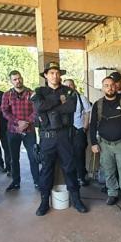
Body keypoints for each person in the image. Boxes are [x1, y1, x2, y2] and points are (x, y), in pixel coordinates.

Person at [32, 62, 88, 216]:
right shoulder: (39, 91)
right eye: (51, 73)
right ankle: (44, 202)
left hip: (65, 137)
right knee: (46, 170)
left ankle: (76, 199)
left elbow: (70, 108)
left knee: (70, 169)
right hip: (47, 138)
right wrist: (58, 101)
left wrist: (48, 107)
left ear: (60, 75)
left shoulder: (69, 92)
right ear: (46, 75)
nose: (54, 76)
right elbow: (38, 107)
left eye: (57, 73)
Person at [90, 76, 121, 207]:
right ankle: (112, 194)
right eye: (106, 85)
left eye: (112, 85)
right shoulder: (97, 105)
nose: (109, 88)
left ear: (116, 86)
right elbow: (93, 125)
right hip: (104, 144)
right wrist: (94, 143)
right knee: (108, 171)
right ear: (102, 87)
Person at [0, 70, 40, 192]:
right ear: (11, 81)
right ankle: (16, 182)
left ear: (22, 78)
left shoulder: (32, 93)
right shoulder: (7, 95)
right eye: (15, 79)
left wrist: (26, 122)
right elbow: (4, 111)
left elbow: (37, 110)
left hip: (29, 131)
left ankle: (37, 182)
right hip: (13, 130)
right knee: (13, 158)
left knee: (33, 157)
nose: (18, 81)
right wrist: (18, 122)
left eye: (19, 78)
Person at [63, 78, 91, 186]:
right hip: (66, 131)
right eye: (66, 85)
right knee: (69, 155)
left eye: (71, 85)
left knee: (80, 155)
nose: (69, 87)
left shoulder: (81, 98)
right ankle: (72, 178)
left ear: (74, 86)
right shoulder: (62, 99)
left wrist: (84, 127)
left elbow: (88, 112)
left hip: (79, 130)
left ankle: (82, 177)